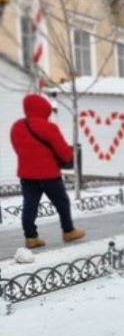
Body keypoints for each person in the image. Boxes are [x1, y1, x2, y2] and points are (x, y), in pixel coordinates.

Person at [10, 94, 85, 249]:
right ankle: (68, 231)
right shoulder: (49, 127)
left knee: (30, 204)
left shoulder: (17, 126)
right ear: (45, 109)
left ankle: (31, 237)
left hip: (27, 174)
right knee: (62, 202)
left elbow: (18, 149)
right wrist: (68, 155)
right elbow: (64, 153)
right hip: (49, 174)